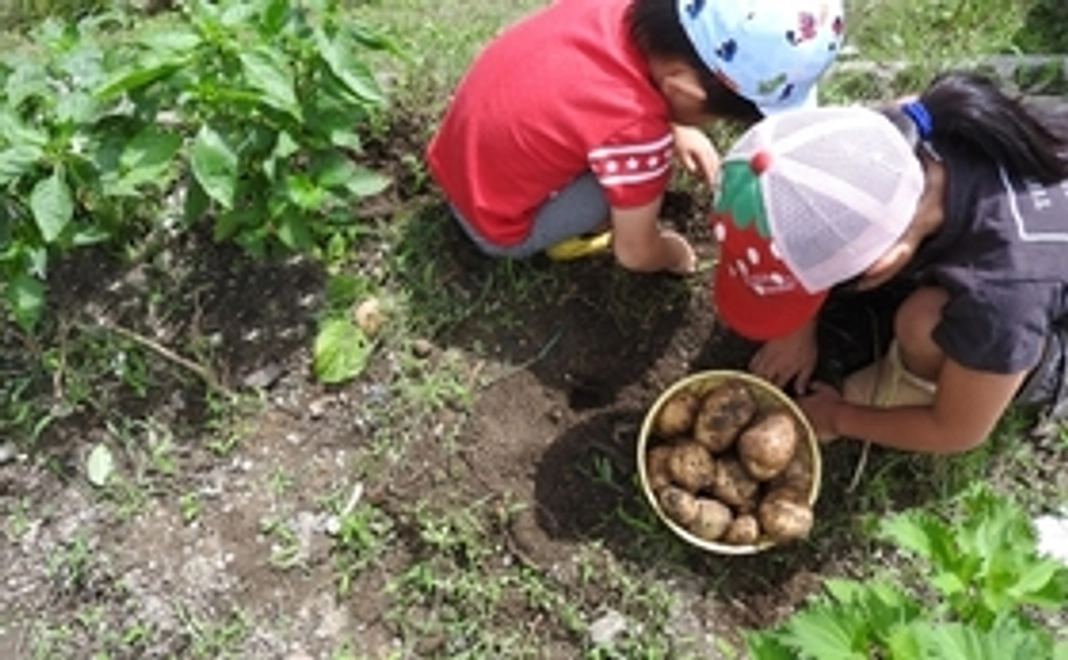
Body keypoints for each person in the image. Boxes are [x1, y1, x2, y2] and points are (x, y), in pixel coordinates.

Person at [709, 70, 1068, 454]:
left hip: (1042, 312)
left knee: (921, 324)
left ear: (882, 263)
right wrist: (798, 324)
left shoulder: (1003, 298)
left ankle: (926, 382)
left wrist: (838, 417)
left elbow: (956, 432)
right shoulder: (905, 125)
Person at [426, 0, 845, 274]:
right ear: (682, 90)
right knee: (634, 184)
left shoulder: (619, 11)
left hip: (454, 156)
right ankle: (550, 232)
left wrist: (679, 125)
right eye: (715, 116)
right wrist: (671, 251)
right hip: (493, 223)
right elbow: (634, 252)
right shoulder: (636, 132)